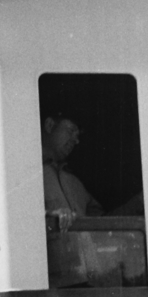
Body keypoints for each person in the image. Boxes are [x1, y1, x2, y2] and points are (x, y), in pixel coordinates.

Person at [42, 114, 100, 286]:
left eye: (78, 136)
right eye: (71, 130)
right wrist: (50, 215)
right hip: (54, 285)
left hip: (89, 279)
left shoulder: (73, 181)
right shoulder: (26, 172)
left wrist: (136, 204)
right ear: (50, 125)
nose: (76, 140)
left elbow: (102, 221)